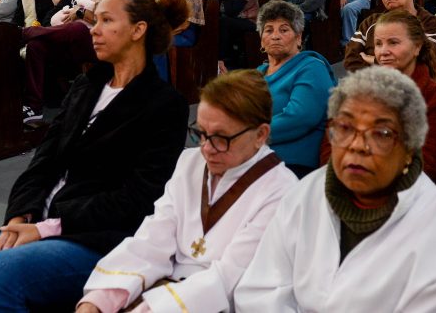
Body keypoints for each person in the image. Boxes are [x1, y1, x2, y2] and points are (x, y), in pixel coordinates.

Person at [0, 0, 191, 313]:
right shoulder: (87, 85)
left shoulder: (163, 104)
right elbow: (43, 161)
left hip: (97, 237)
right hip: (39, 218)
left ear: (138, 30)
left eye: (107, 21)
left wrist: (48, 226)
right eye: (96, 20)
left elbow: (138, 197)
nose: (94, 29)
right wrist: (20, 215)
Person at [235, 66, 436, 312]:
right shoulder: (305, 194)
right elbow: (261, 290)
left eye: (381, 133)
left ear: (410, 148)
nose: (357, 145)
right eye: (345, 127)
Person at [76, 70, 297, 313]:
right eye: (201, 133)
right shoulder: (190, 163)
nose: (207, 148)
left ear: (261, 134)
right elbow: (153, 237)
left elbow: (229, 277)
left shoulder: (282, 191)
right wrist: (99, 299)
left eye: (221, 138)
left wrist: (148, 309)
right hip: (165, 295)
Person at [23, 0, 125, 117]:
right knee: (35, 45)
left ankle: (24, 34)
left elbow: (113, 23)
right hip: (71, 44)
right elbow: (50, 17)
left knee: (78, 27)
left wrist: (80, 12)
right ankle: (34, 107)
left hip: (101, 45)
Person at [366, 10, 436, 182]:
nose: (383, 52)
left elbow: (426, 168)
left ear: (417, 47)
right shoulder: (364, 90)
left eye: (393, 43)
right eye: (378, 44)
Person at [255, 1, 336, 177]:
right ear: (261, 39)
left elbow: (299, 118)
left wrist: (248, 135)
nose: (275, 36)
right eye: (269, 30)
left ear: (298, 38)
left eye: (284, 30)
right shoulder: (257, 74)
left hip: (292, 165)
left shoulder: (311, 67)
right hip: (254, 157)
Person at [344, 0, 436, 71]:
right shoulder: (371, 22)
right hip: (368, 81)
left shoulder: (430, 23)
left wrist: (375, 60)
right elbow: (350, 59)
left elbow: (426, 62)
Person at [214, 0, 258, 73]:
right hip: (233, 21)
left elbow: (231, 12)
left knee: (223, 21)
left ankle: (221, 59)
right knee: (214, 20)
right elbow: (215, 9)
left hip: (249, 22)